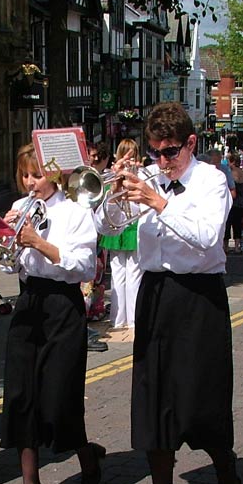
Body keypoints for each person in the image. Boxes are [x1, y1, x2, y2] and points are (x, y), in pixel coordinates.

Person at [97, 101, 238, 484]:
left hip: (199, 297)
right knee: (153, 397)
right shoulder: (150, 176)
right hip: (155, 293)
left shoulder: (212, 180)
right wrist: (114, 193)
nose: (161, 160)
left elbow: (205, 237)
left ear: (191, 143)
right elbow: (106, 226)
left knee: (201, 397)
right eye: (155, 151)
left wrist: (157, 200)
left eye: (170, 151)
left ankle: (224, 465)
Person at [0, 143, 104, 484]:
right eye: (25, 175)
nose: (30, 183)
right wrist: (4, 237)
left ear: (55, 174)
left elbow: (82, 267)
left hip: (62, 305)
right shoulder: (23, 209)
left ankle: (87, 457)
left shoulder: (76, 213)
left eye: (37, 174)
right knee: (21, 395)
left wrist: (39, 243)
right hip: (29, 305)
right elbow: (12, 268)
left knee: (60, 397)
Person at [100, 138, 143, 338]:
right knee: (128, 274)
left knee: (122, 274)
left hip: (128, 226)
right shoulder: (134, 174)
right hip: (125, 226)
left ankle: (120, 319)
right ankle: (130, 320)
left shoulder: (118, 173)